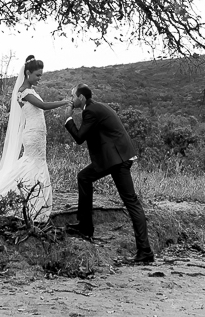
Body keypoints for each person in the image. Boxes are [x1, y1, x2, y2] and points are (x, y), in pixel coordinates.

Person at [63, 84, 155, 264]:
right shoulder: (97, 108)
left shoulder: (90, 111)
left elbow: (80, 137)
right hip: (115, 157)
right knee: (84, 177)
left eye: (72, 96)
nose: (71, 99)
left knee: (131, 202)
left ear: (81, 98)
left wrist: (68, 118)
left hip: (117, 160)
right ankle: (85, 227)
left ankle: (145, 252)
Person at [0, 55, 71, 224]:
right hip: (32, 134)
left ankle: (31, 200)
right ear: (27, 73)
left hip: (38, 133)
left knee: (35, 163)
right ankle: (28, 200)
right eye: (38, 75)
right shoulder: (24, 92)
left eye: (41, 75)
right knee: (33, 163)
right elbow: (44, 106)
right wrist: (65, 102)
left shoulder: (30, 91)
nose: (40, 78)